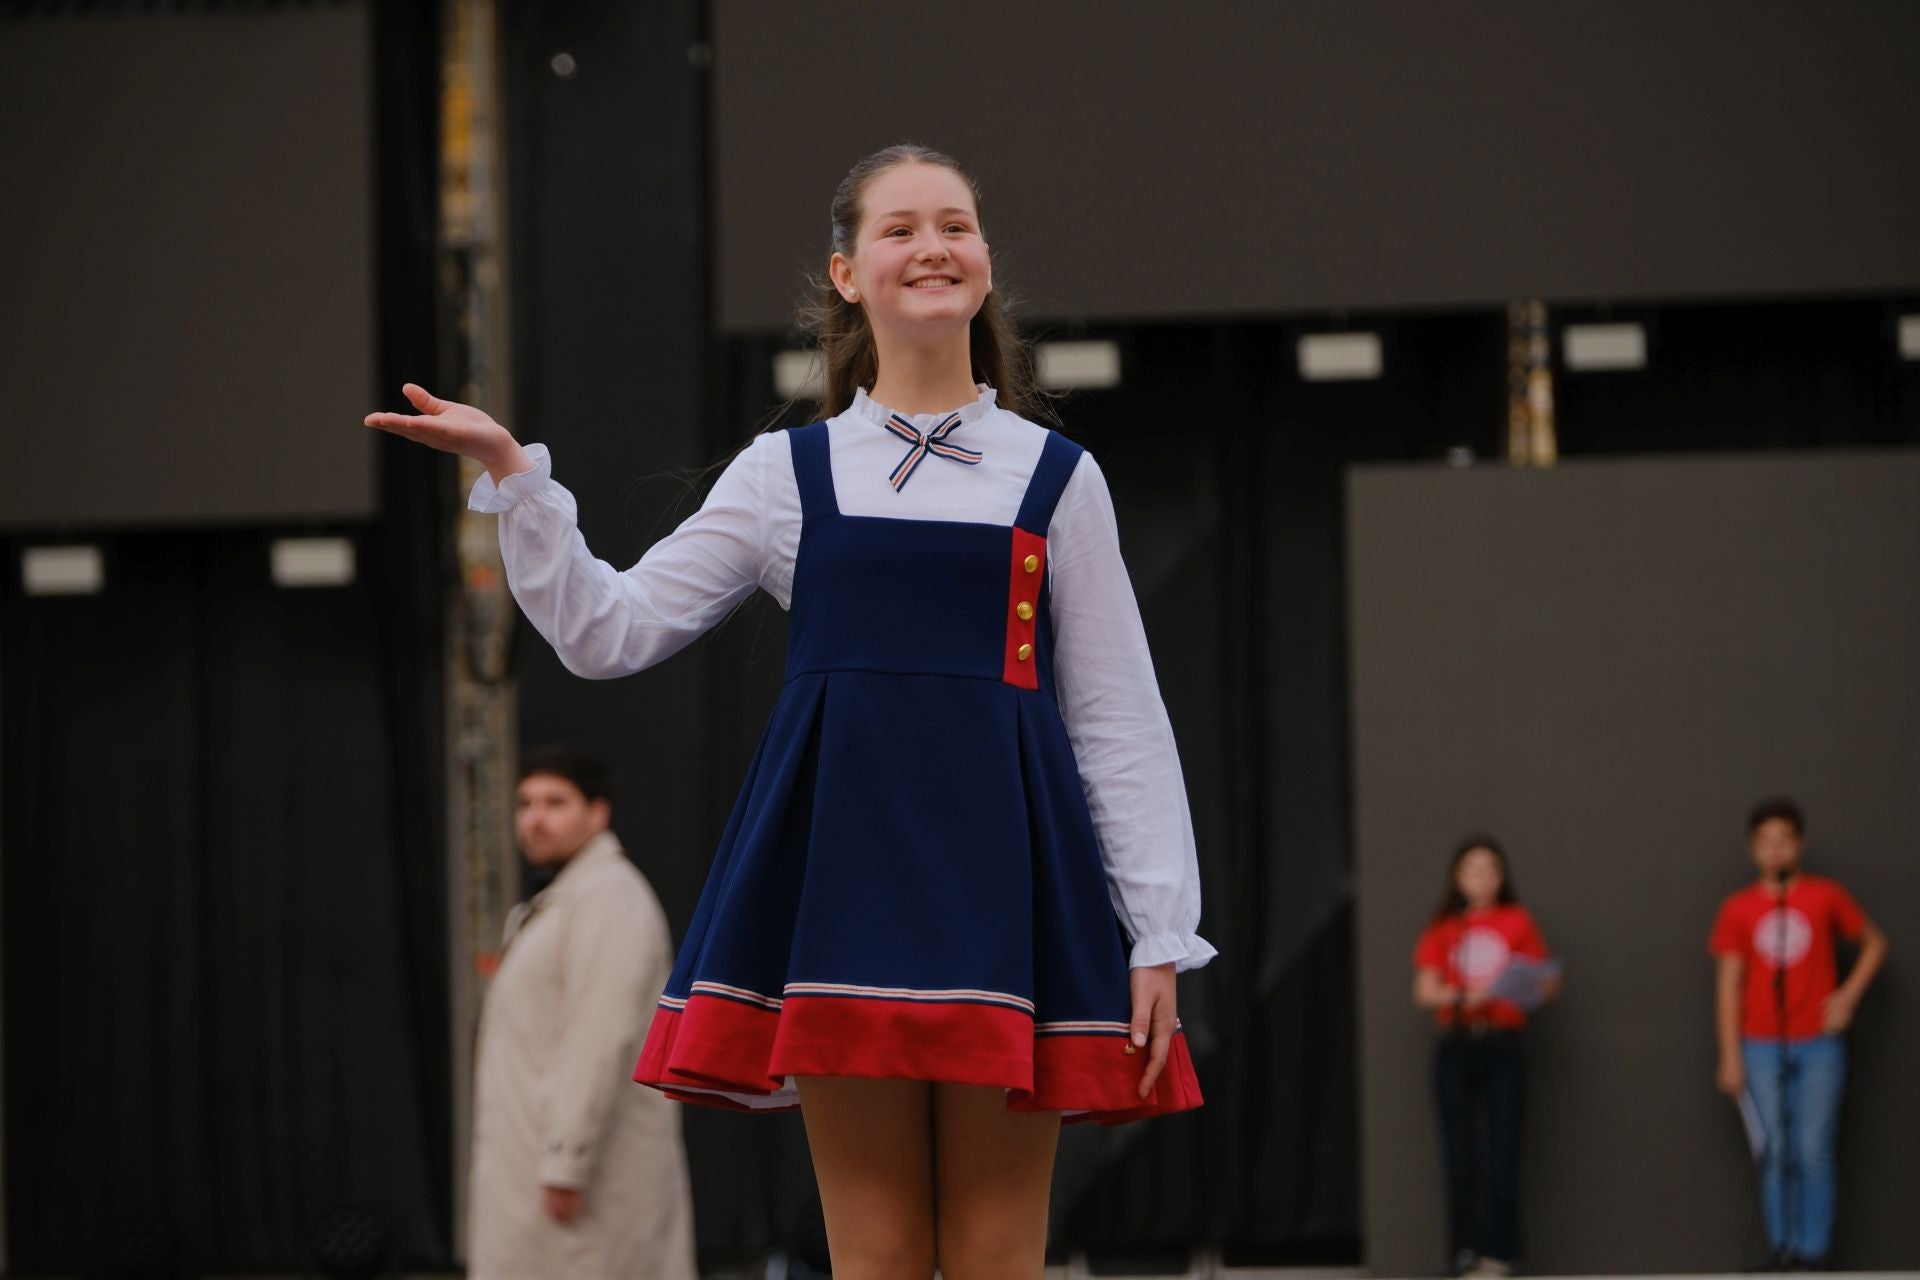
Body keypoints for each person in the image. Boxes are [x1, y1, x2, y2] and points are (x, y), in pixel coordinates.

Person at [367, 143, 1211, 1278]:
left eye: (954, 224)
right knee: (878, 1257)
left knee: (998, 1255)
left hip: (1007, 884)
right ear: (847, 272)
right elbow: (609, 630)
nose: (932, 247)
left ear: (985, 260)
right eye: (900, 228)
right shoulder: (785, 473)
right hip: (847, 882)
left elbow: (1117, 713)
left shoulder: (1056, 473)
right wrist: (519, 481)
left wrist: (1157, 929)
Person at [466, 748, 697, 1280]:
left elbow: (600, 1038)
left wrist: (567, 1161)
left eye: (555, 802)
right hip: (538, 1168)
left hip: (582, 1179)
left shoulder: (611, 898)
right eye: (525, 803)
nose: (535, 818)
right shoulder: (564, 899)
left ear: (598, 813)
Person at [1709, 797, 1888, 1272]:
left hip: (1818, 1041)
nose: (1775, 851)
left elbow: (1875, 942)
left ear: (1799, 845)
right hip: (1760, 1044)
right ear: (1753, 849)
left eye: (1784, 841)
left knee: (1812, 1150)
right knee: (1775, 1153)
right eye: (1766, 843)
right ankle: (1782, 1247)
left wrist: (1847, 996)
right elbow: (1729, 984)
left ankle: (1813, 1252)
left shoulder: (1825, 896)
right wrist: (1730, 1055)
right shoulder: (1738, 908)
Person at [1411, 834, 1559, 1279]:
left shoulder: (1517, 921)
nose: (1481, 878)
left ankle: (1503, 1253)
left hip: (1503, 1043)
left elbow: (1545, 982)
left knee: (1501, 1154)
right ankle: (1463, 1252)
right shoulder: (1444, 926)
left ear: (1502, 876)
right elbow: (1423, 990)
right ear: (1457, 877)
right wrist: (1462, 994)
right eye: (1472, 869)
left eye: (1490, 869)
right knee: (1460, 1155)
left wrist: (1525, 986)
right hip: (1457, 1042)